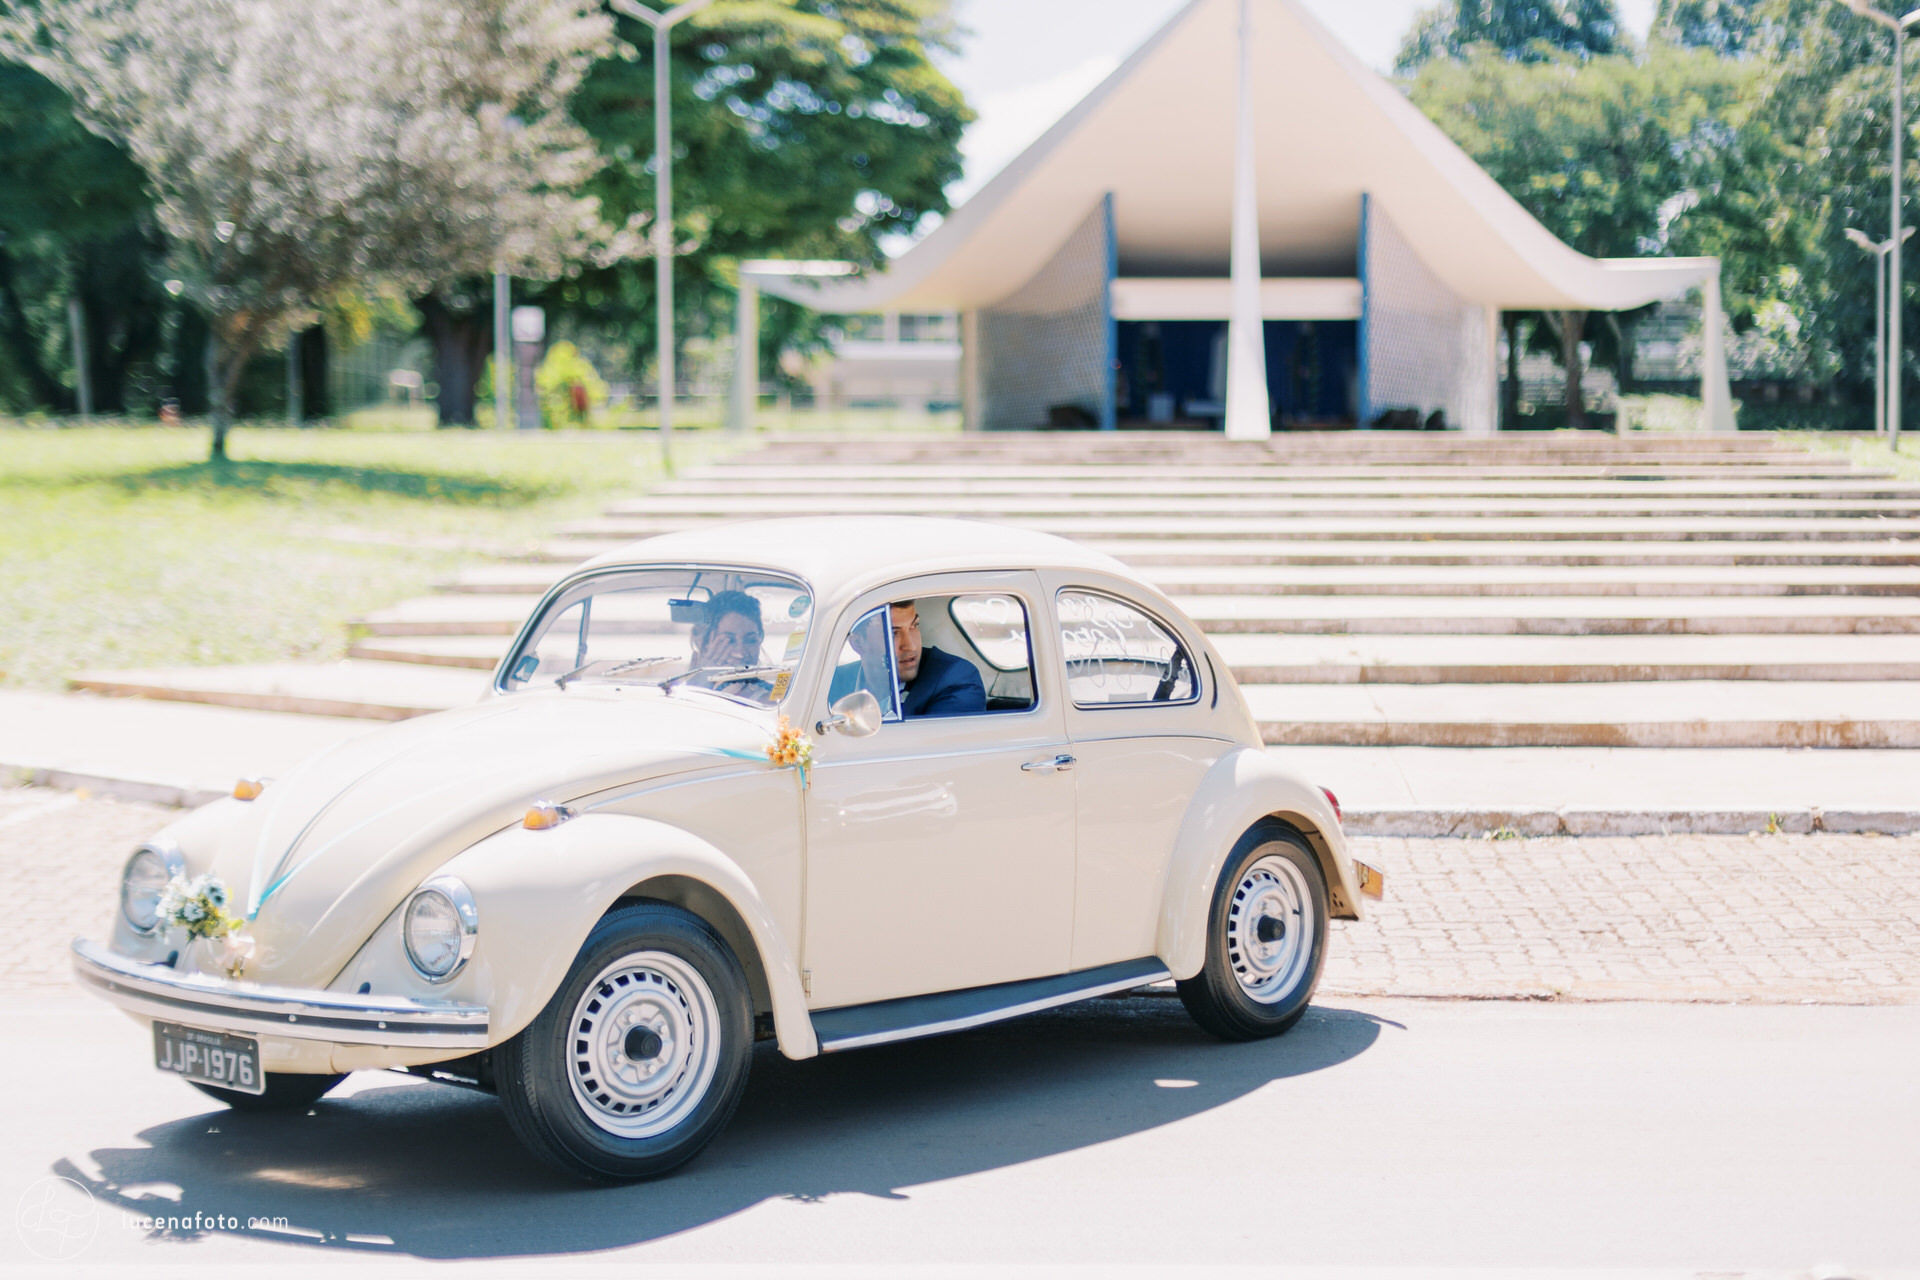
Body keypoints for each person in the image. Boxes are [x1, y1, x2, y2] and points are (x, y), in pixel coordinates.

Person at [889, 600, 985, 718]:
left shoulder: (954, 677)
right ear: (859, 639)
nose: (911, 646)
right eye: (893, 633)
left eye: (914, 626)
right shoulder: (859, 677)